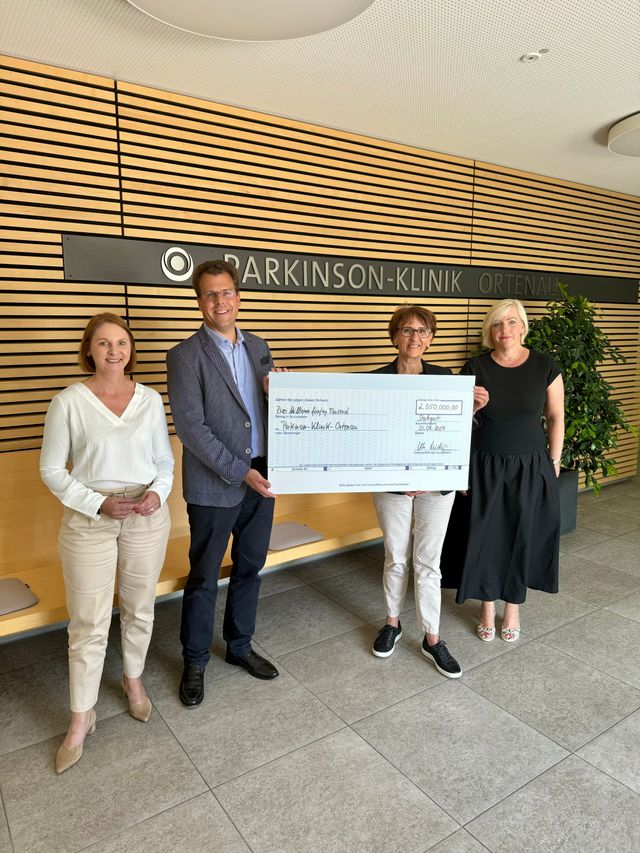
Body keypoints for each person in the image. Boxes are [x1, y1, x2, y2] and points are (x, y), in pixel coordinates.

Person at [40, 313, 174, 773]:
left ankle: (133, 680)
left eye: (121, 343)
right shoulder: (69, 402)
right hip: (88, 521)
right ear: (89, 351)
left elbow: (164, 461)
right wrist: (96, 503)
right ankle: (81, 716)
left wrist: (158, 492)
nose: (114, 351)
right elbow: (52, 469)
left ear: (130, 349)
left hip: (146, 516)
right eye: (103, 344)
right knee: (88, 622)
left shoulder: (150, 399)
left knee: (139, 607)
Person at [166, 259, 279, 709]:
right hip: (217, 485)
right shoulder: (184, 355)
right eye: (210, 294)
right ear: (199, 301)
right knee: (204, 578)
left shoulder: (259, 346)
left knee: (251, 568)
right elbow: (192, 429)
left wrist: (283, 396)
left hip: (263, 477)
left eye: (227, 292)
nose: (220, 301)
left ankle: (239, 647)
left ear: (239, 296)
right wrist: (239, 471)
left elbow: (266, 411)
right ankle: (194, 661)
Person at [370, 305, 488, 678]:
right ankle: (392, 623)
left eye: (423, 331)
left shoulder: (446, 378)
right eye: (407, 331)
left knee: (428, 563)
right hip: (391, 488)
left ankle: (432, 638)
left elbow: (449, 435)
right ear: (394, 336)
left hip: (436, 488)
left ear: (431, 338)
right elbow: (367, 437)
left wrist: (469, 410)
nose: (415, 338)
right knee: (395, 556)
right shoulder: (374, 381)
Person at [441, 298, 564, 641]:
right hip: (484, 464)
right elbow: (455, 422)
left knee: (521, 536)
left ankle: (513, 606)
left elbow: (556, 417)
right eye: (497, 324)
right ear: (489, 332)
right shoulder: (474, 367)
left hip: (530, 465)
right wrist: (470, 410)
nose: (505, 330)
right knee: (484, 537)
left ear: (523, 327)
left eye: (511, 323)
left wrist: (554, 461)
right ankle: (486, 605)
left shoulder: (545, 366)